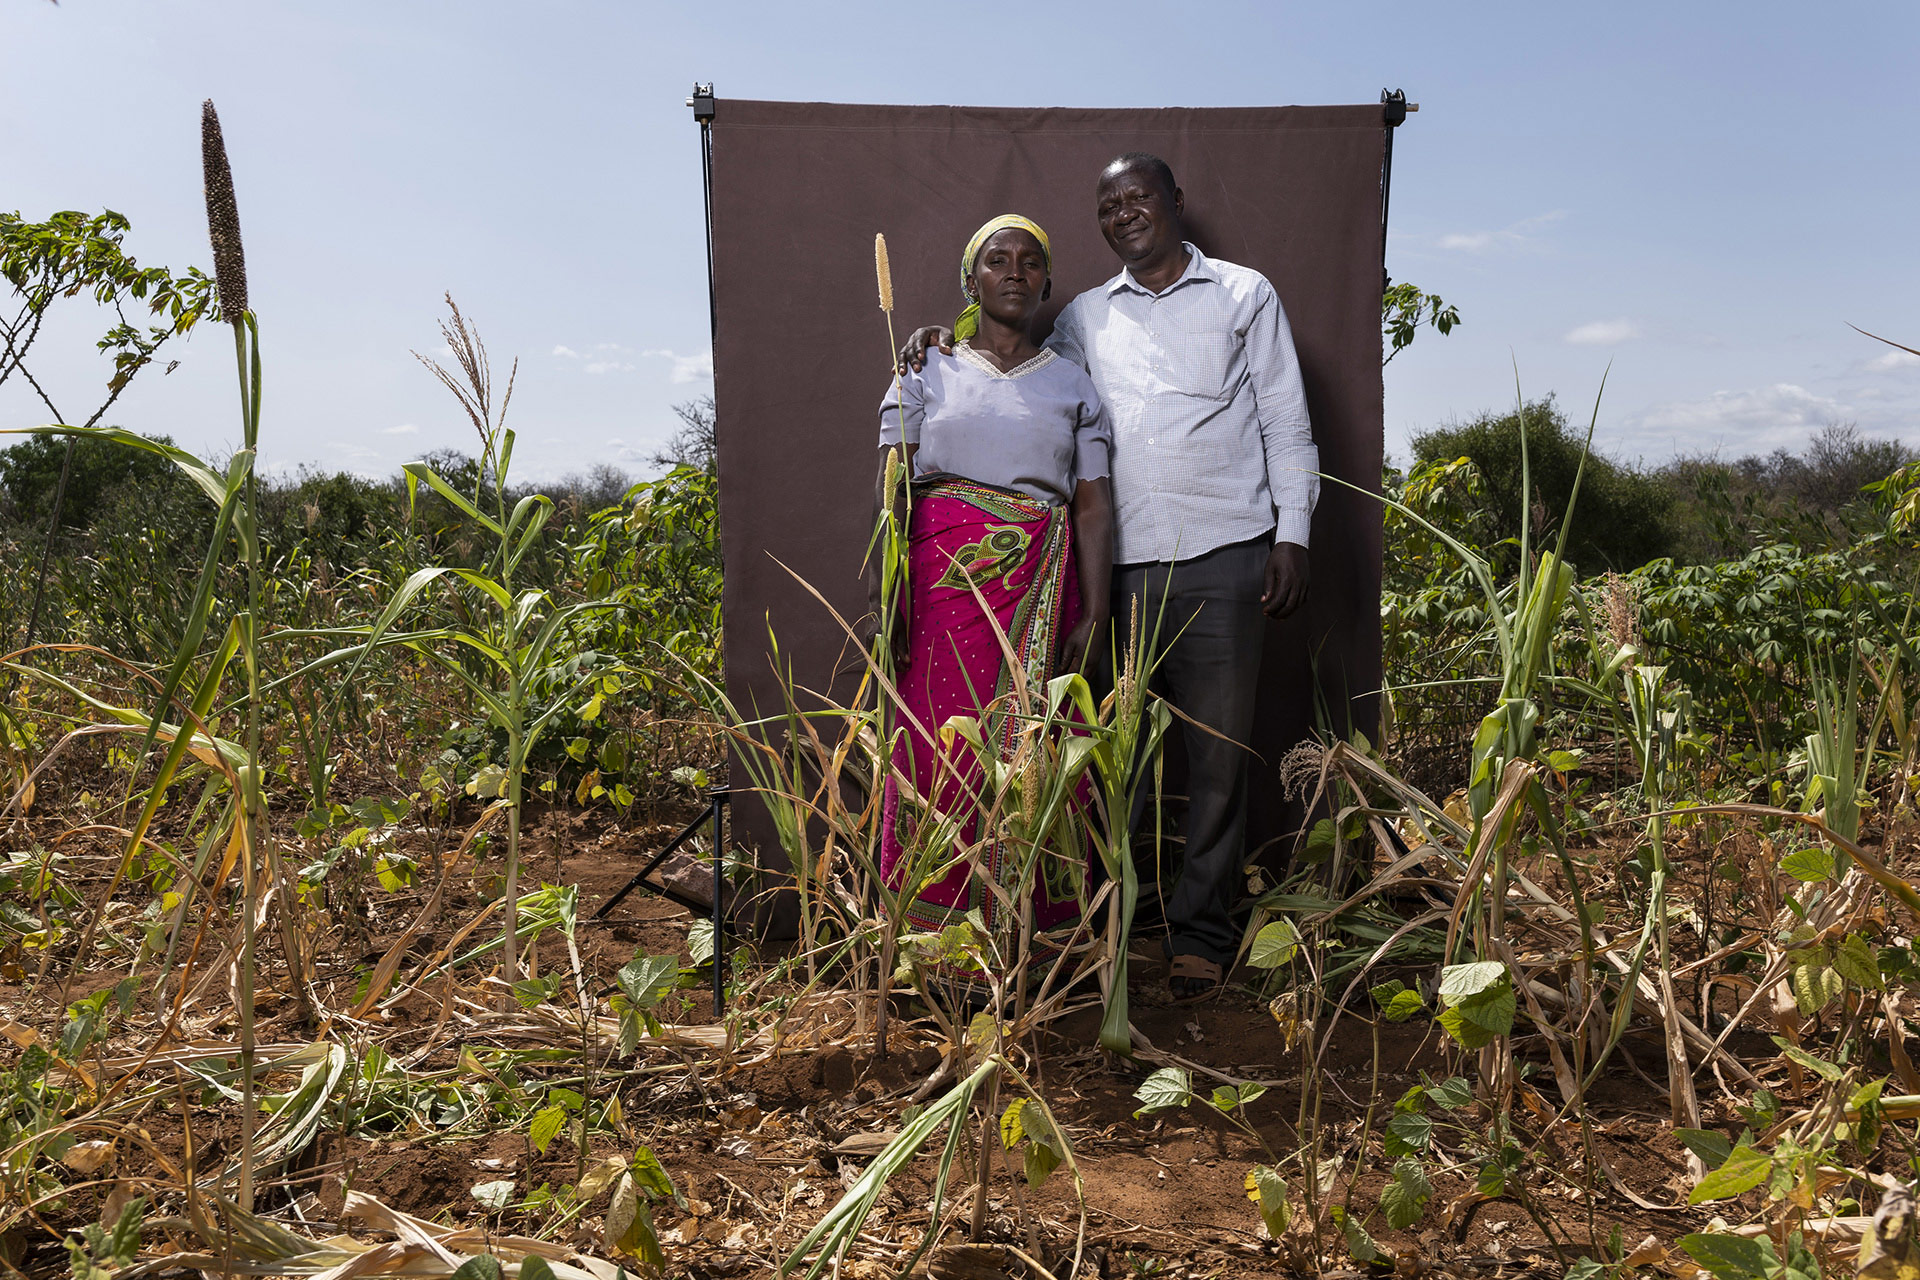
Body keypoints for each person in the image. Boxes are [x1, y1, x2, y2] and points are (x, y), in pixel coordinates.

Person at [901, 154, 1318, 1000]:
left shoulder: (1244, 294)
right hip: (1116, 571)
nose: (1127, 213)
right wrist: (933, 336)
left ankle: (1200, 935)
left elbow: (1284, 416)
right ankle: (1113, 929)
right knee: (1105, 759)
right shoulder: (1085, 318)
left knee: (1215, 760)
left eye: (1140, 198)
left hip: (1228, 548)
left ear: (1174, 203)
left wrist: (1294, 532)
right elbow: (1006, 373)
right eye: (1110, 206)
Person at [867, 214, 1115, 995]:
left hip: (1041, 587)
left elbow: (1093, 507)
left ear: (1046, 282)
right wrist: (887, 600)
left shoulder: (1072, 385)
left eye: (1030, 262)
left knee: (1033, 755)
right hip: (943, 586)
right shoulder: (924, 369)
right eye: (996, 261)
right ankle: (930, 949)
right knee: (937, 747)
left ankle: (1025, 949)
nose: (1014, 272)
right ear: (971, 280)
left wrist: (1096, 612)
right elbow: (890, 494)